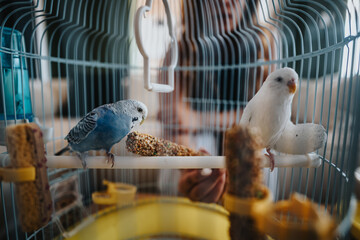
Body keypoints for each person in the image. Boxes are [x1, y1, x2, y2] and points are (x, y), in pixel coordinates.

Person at [157, 0, 276, 203]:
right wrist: (193, 167)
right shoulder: (177, 51)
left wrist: (198, 119)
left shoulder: (266, 45)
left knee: (259, 149)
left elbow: (268, 118)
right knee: (197, 148)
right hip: (196, 152)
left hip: (247, 153)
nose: (225, 2)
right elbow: (175, 125)